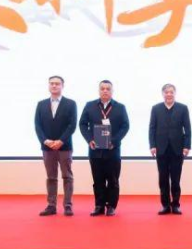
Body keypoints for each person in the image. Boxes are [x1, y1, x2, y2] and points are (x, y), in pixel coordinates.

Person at [79, 80, 129, 216]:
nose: (105, 91)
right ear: (99, 90)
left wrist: (114, 141)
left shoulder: (120, 107)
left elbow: (125, 126)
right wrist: (89, 139)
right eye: (102, 88)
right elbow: (82, 124)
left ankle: (111, 206)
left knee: (113, 180)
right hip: (95, 150)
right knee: (98, 180)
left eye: (108, 89)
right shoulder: (90, 106)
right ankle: (99, 205)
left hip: (113, 150)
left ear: (112, 91)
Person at [35, 75, 78, 216]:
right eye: (51, 83)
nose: (54, 86)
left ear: (62, 86)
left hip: (64, 147)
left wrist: (61, 141)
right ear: (49, 86)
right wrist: (45, 141)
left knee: (67, 176)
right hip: (47, 147)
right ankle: (51, 205)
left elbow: (72, 125)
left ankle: (68, 206)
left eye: (57, 83)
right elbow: (37, 125)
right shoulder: (41, 104)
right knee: (51, 177)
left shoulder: (71, 103)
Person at [149, 84, 192, 215]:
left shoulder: (183, 108)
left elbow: (188, 129)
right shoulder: (156, 108)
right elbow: (152, 128)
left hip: (177, 149)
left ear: (175, 93)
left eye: (171, 92)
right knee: (163, 179)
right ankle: (165, 205)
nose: (169, 94)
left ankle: (176, 205)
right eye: (166, 92)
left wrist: (187, 146)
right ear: (163, 94)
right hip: (161, 149)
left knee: (175, 179)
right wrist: (152, 145)